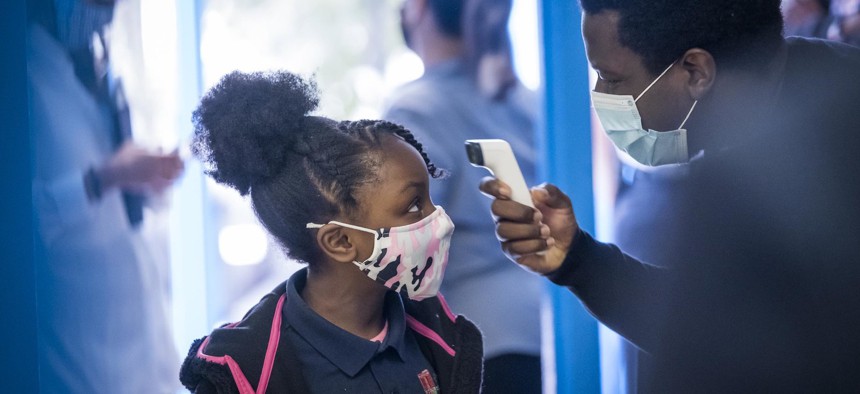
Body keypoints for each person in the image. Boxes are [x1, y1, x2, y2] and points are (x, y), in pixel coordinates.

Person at [477, 0, 860, 391]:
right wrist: (577, 258)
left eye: (611, 78)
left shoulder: (816, 159)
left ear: (695, 72)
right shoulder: (756, 120)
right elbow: (710, 325)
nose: (599, 97)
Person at [178, 71, 483, 393]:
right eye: (413, 205)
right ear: (340, 241)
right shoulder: (248, 371)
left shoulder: (439, 338)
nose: (438, 219)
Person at [384, 1, 543, 392]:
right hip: (545, 327)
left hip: (477, 344)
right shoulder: (529, 103)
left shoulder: (415, 110)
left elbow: (400, 244)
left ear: (418, 9)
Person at [28, 0, 183, 392]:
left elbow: (110, 198)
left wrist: (144, 180)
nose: (107, 9)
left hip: (146, 355)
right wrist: (105, 179)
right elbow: (23, 222)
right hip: (84, 362)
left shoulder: (95, 65)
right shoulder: (21, 82)